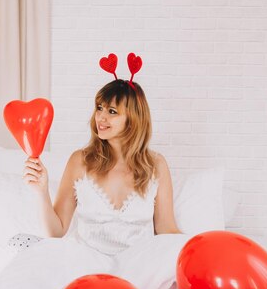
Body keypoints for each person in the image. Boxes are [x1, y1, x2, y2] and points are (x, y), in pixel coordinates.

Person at [22, 78, 181, 255]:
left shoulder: (156, 165)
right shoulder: (79, 161)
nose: (101, 117)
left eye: (112, 111)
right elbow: (56, 232)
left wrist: (195, 246)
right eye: (99, 108)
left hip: (138, 265)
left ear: (133, 119)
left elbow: (166, 229)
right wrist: (41, 191)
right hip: (88, 265)